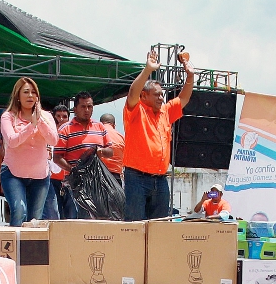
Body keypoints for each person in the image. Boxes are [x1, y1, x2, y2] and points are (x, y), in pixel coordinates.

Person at [122, 50, 195, 220]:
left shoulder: (165, 112)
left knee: (159, 227)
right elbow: (133, 92)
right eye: (156, 94)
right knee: (135, 227)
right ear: (144, 96)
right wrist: (147, 70)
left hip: (161, 180)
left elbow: (183, 99)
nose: (161, 98)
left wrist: (190, 77)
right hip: (136, 178)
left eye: (162, 94)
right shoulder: (136, 110)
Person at [0, 77, 58, 226]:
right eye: (26, 92)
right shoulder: (8, 116)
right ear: (18, 96)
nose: (30, 96)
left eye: (33, 92)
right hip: (13, 174)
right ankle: (15, 248)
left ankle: (30, 249)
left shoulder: (47, 116)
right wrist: (31, 125)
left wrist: (39, 121)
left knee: (34, 220)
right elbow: (12, 141)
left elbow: (53, 140)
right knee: (19, 211)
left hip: (40, 176)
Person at [56, 92, 113, 219]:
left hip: (98, 182)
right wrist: (72, 171)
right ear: (75, 109)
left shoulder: (100, 127)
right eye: (83, 107)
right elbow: (57, 157)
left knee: (99, 220)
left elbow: (111, 151)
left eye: (90, 107)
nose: (87, 110)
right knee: (80, 220)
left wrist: (101, 151)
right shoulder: (66, 129)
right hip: (76, 183)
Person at [45, 103, 71, 220]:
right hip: (52, 181)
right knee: (54, 215)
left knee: (71, 216)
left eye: (64, 116)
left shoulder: (72, 136)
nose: (61, 119)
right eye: (58, 116)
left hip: (70, 181)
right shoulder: (48, 136)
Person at [99, 113, 125, 183]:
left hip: (99, 175)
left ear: (100, 124)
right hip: (116, 177)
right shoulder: (121, 138)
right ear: (114, 125)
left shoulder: (97, 134)